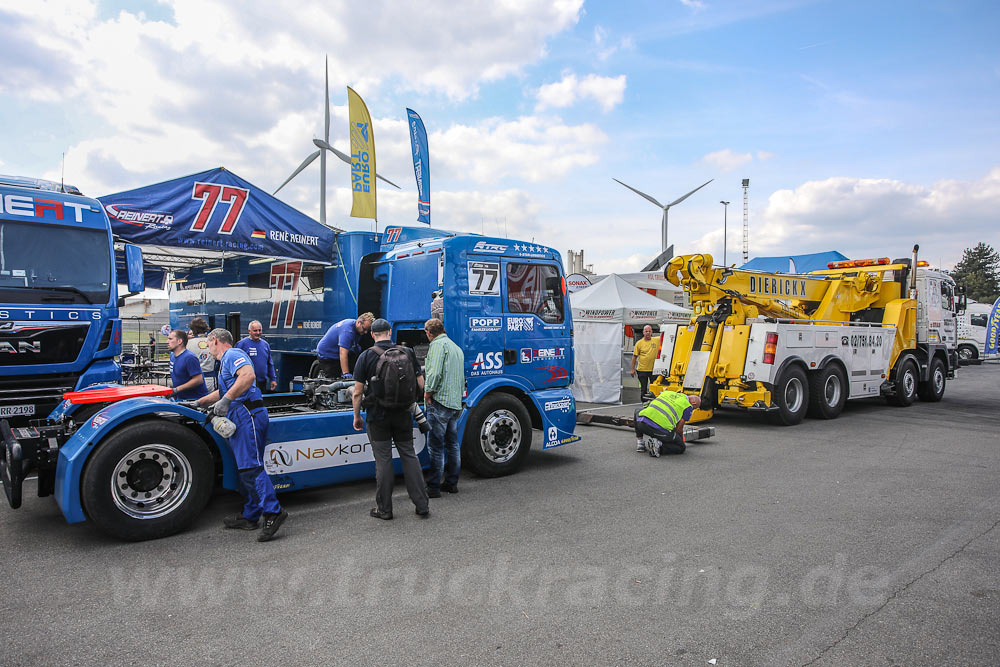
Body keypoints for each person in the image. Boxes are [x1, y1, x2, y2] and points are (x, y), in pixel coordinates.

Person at [186, 328, 288, 542]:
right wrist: (200, 402)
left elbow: (248, 376)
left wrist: (226, 401)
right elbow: (224, 391)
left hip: (246, 415)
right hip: (246, 414)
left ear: (215, 341)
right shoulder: (227, 361)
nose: (207, 349)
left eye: (207, 344)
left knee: (251, 467)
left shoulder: (232, 355)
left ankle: (273, 512)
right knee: (247, 467)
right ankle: (250, 516)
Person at [352, 318, 429, 520]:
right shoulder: (408, 353)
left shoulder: (366, 356)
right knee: (409, 456)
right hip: (403, 413)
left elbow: (357, 393)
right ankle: (422, 504)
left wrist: (357, 416)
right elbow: (421, 384)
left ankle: (385, 509)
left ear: (372, 335)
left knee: (383, 460)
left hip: (378, 416)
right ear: (389, 332)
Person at [422, 318, 465, 497]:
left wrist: (427, 393)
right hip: (455, 402)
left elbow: (434, 372)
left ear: (429, 333)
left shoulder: (438, 346)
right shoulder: (456, 347)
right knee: (453, 444)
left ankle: (433, 487)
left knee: (436, 446)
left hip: (440, 402)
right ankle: (452, 483)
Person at [634, 392, 701, 457]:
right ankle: (659, 446)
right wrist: (680, 439)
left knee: (638, 411)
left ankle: (640, 443)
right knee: (681, 447)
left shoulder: (667, 393)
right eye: (694, 408)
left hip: (642, 424)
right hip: (658, 430)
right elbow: (679, 428)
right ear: (693, 403)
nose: (693, 410)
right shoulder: (688, 406)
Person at [316, 312, 375, 378]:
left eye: (367, 330)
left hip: (337, 352)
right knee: (333, 378)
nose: (365, 332)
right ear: (358, 322)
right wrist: (345, 373)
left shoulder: (356, 327)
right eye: (364, 329)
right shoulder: (347, 331)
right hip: (327, 355)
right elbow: (343, 353)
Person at [236, 320, 278, 395]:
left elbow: (269, 363)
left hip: (262, 382)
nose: (258, 333)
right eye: (255, 331)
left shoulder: (265, 345)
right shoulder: (242, 344)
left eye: (260, 330)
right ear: (249, 331)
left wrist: (273, 379)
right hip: (248, 382)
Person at [166, 329, 208, 400]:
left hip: (194, 399)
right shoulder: (173, 356)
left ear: (179, 341)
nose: (167, 342)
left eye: (170, 339)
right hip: (181, 399)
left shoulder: (189, 357)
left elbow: (198, 380)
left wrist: (176, 389)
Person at [187, 317, 217, 392]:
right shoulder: (213, 342)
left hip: (193, 380)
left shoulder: (187, 344)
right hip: (210, 379)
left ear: (193, 330)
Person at [631, 325, 658, 399]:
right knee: (643, 388)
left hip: (653, 370)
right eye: (646, 331)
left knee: (654, 388)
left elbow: (665, 336)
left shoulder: (656, 340)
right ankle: (644, 403)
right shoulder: (639, 343)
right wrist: (632, 369)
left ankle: (653, 402)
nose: (648, 333)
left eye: (649, 331)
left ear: (652, 332)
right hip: (642, 370)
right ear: (643, 332)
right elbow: (634, 356)